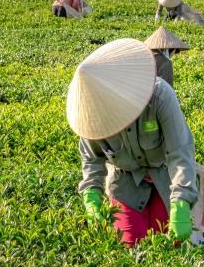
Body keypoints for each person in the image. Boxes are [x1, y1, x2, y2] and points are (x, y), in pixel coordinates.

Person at [69, 38, 197, 246]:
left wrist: (181, 201)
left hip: (165, 177)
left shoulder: (160, 96)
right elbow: (92, 159)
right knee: (129, 244)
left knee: (168, 241)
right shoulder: (91, 114)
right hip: (125, 183)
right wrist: (91, 195)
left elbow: (180, 152)